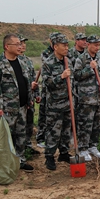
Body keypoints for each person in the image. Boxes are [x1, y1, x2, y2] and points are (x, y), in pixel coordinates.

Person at [0, 34, 36, 173]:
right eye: (16, 44)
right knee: (5, 137)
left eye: (20, 44)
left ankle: (20, 159)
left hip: (22, 106)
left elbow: (26, 82)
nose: (20, 46)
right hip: (7, 108)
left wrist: (29, 99)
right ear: (7, 46)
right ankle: (3, 164)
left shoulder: (22, 62)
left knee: (21, 135)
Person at [41, 34, 73, 170]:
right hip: (54, 104)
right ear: (55, 47)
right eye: (63, 45)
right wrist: (61, 77)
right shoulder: (48, 63)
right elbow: (47, 83)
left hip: (67, 102)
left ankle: (64, 153)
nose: (66, 48)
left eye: (67, 45)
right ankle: (49, 156)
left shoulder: (67, 61)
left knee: (66, 130)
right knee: (53, 131)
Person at [73, 35, 100, 161]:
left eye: (98, 45)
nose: (97, 47)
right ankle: (83, 148)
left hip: (99, 97)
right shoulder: (81, 59)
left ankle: (93, 146)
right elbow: (76, 75)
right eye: (95, 45)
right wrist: (89, 68)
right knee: (85, 124)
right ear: (88, 45)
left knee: (97, 124)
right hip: (86, 98)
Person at [36, 32, 60, 149]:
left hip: (59, 89)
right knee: (44, 113)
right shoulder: (46, 54)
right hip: (47, 88)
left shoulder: (63, 55)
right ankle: (41, 137)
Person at [18, 35, 40, 154]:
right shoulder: (14, 61)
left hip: (30, 97)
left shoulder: (28, 60)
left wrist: (37, 93)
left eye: (24, 43)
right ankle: (19, 147)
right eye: (20, 43)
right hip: (20, 99)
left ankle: (27, 144)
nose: (23, 45)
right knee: (20, 124)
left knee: (29, 122)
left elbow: (34, 79)